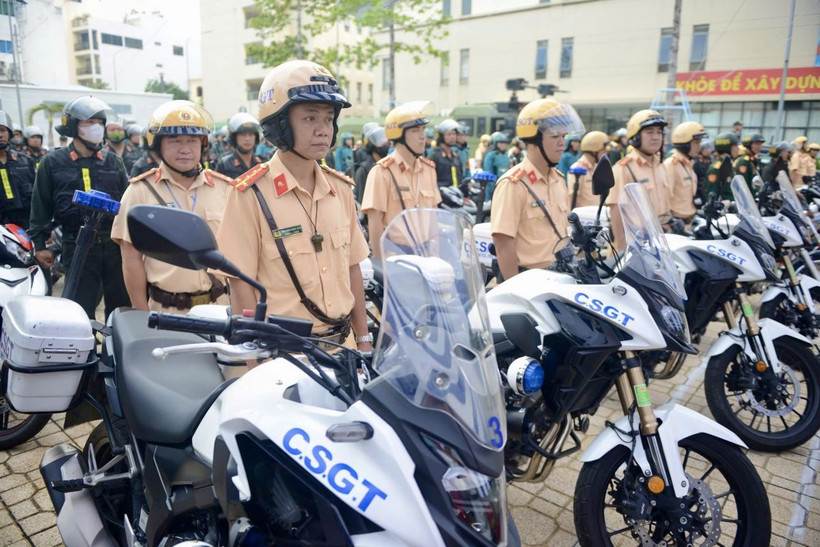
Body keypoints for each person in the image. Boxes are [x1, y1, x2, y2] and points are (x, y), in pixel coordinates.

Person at [216, 60, 372, 353]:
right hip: (285, 358)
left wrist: (364, 341)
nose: (323, 130)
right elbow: (241, 287)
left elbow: (353, 269)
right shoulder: (250, 195)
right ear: (280, 124)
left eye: (328, 119)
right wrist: (256, 363)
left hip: (345, 349)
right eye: (310, 118)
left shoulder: (340, 189)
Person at [112, 100, 233, 314]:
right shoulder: (140, 191)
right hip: (166, 312)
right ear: (158, 146)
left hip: (221, 308)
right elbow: (130, 257)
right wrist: (140, 313)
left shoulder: (225, 188)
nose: (185, 149)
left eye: (192, 141)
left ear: (203, 145)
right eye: (175, 141)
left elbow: (240, 252)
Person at [29, 96, 130, 319]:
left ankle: (115, 353)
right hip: (76, 244)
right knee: (79, 310)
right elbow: (40, 206)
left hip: (114, 245)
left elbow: (128, 204)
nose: (96, 128)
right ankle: (85, 353)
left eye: (99, 123)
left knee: (121, 309)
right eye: (88, 123)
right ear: (73, 126)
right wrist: (39, 244)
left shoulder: (114, 162)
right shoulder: (53, 162)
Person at [491, 98, 585, 280]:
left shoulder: (558, 179)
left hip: (563, 275)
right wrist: (514, 289)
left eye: (563, 136)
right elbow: (503, 243)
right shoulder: (513, 184)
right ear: (534, 140)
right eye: (555, 136)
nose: (562, 143)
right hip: (531, 280)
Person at [361, 101, 440, 258]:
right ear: (399, 135)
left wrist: (435, 255)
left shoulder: (429, 170)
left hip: (425, 255)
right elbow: (375, 223)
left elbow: (433, 217)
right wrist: (380, 263)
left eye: (423, 129)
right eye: (415, 130)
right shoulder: (383, 172)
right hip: (396, 256)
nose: (423, 136)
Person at [607, 109, 671, 251]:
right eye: (650, 132)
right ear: (635, 137)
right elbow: (616, 212)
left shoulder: (661, 165)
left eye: (659, 132)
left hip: (660, 241)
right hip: (636, 244)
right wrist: (622, 250)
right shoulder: (624, 168)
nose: (656, 137)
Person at [665, 121, 707, 223]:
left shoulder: (688, 164)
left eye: (700, 142)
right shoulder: (671, 165)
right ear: (685, 144)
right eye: (696, 142)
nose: (699, 146)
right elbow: (664, 199)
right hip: (677, 225)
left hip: (691, 220)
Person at [0, 113, 36, 228]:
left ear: (9, 133)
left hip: (26, 224)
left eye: (3, 130)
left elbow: (38, 196)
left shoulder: (25, 161)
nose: (0, 135)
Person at [216, 113, 265, 179]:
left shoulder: (263, 163)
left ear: (255, 137)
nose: (247, 139)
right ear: (234, 137)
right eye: (243, 134)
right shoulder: (224, 164)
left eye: (250, 134)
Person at [569, 130, 609, 209]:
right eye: (603, 149)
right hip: (583, 218)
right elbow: (572, 198)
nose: (606, 153)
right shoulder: (577, 168)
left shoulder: (596, 168)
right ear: (595, 149)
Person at [353, 125, 389, 203]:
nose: (385, 143)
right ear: (371, 145)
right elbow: (361, 200)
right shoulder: (363, 170)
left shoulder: (389, 166)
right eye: (380, 141)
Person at [429, 119, 464, 188]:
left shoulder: (456, 157)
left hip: (456, 197)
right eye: (449, 134)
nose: (452, 137)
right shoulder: (435, 156)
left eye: (454, 134)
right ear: (442, 136)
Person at [704, 132, 739, 200]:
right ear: (727, 148)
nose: (738, 149)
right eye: (736, 146)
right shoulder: (716, 169)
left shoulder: (728, 164)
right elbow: (711, 195)